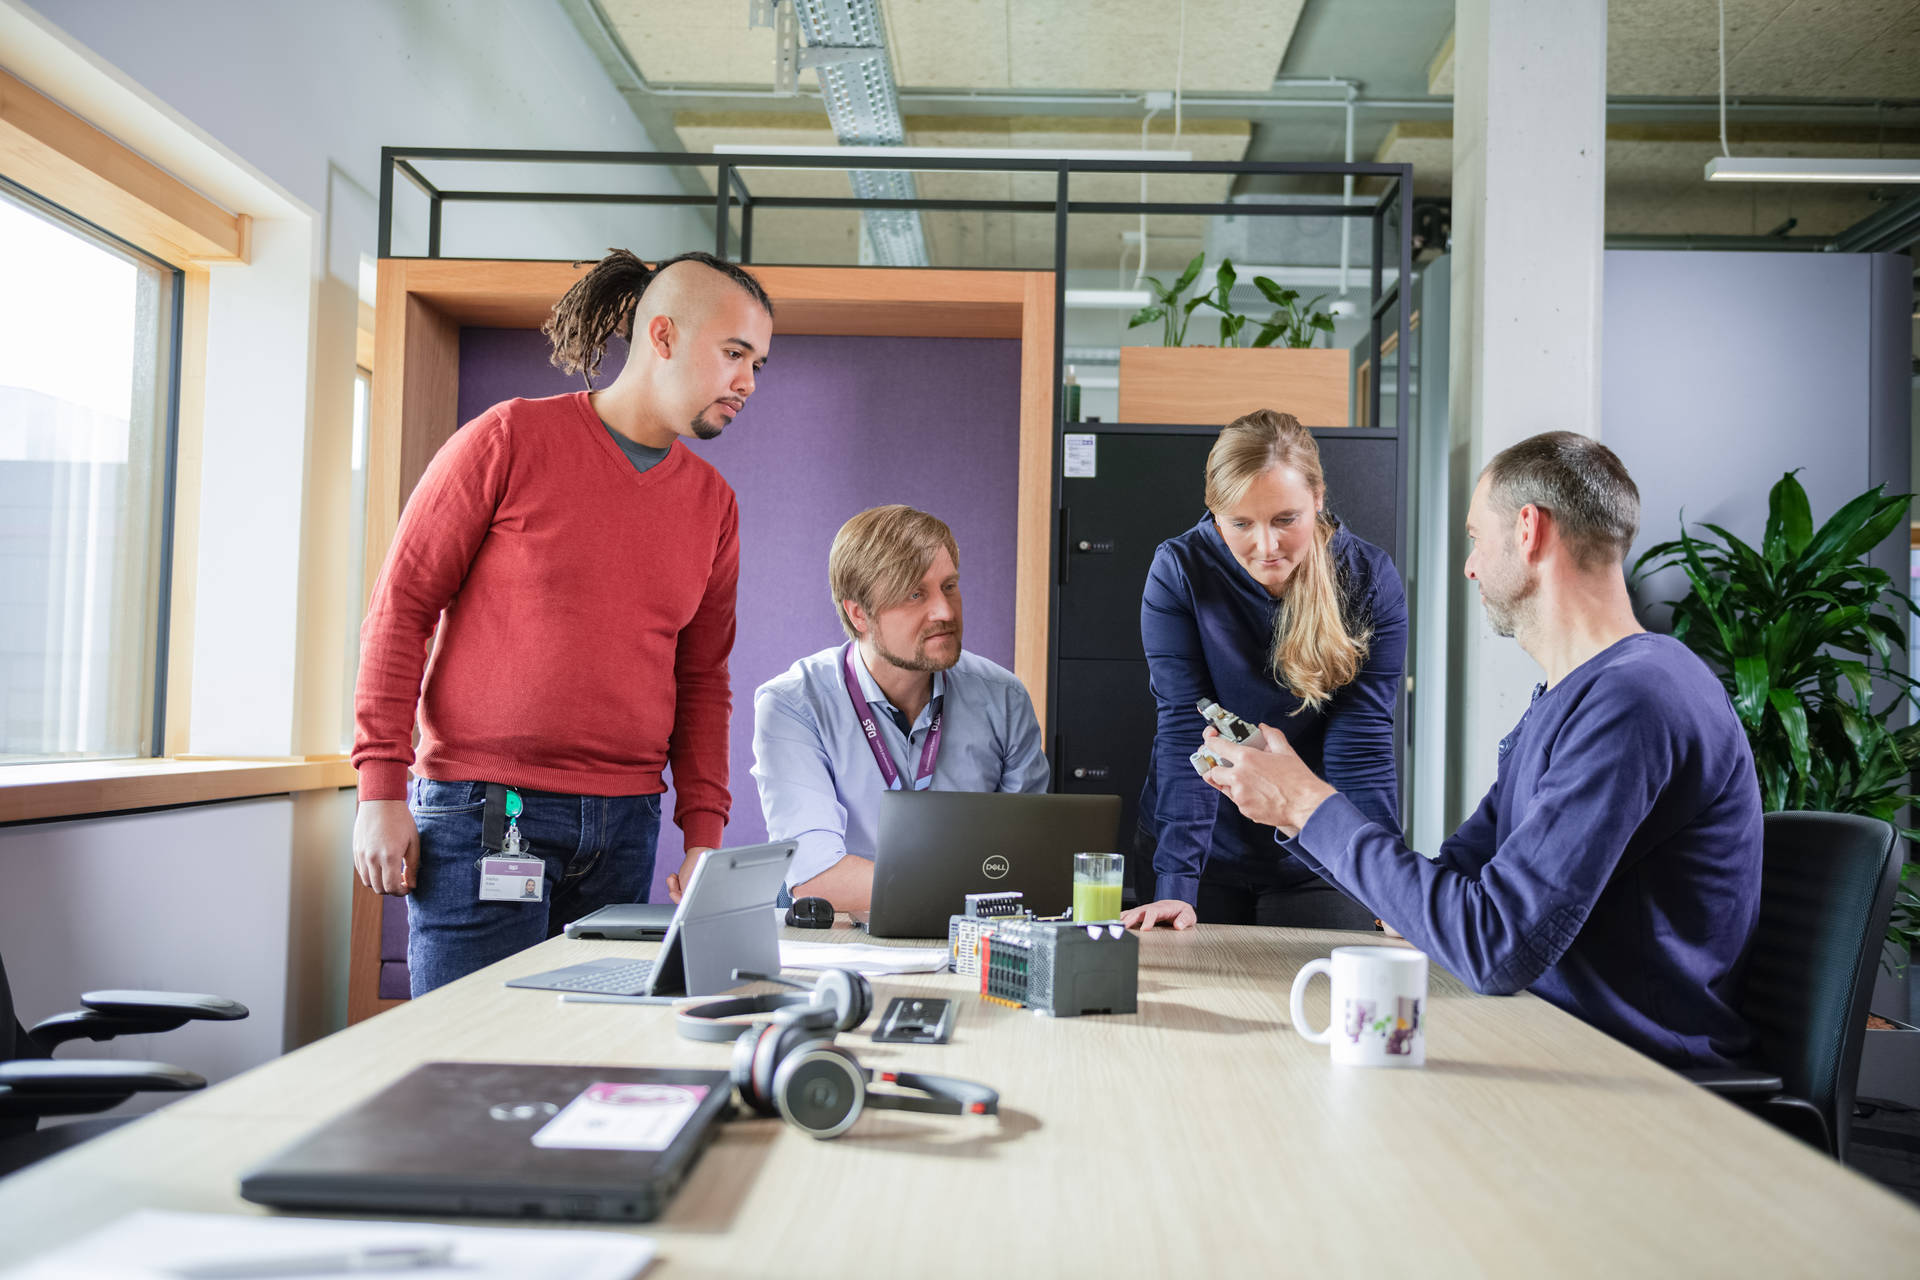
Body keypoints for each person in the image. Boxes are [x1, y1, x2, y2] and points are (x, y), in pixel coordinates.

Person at [1195, 431, 1762, 1069]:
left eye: (1475, 538)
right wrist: (1289, 804)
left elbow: (1495, 947)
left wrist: (1305, 805)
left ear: (1528, 531)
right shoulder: (1575, 698)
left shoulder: (1637, 700)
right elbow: (1449, 893)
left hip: (1633, 1076)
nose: (1469, 566)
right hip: (1549, 1040)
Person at [350, 249, 774, 996]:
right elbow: (401, 609)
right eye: (735, 354)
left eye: (758, 365)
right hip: (485, 811)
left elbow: (703, 677)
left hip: (626, 825)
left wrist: (704, 833)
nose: (748, 382)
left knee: (589, 1047)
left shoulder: (714, 504)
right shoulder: (507, 438)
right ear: (664, 336)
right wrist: (380, 789)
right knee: (472, 1050)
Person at [1122, 410, 1406, 932]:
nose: (1267, 546)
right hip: (1197, 847)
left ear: (1317, 498)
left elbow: (1361, 744)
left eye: (1285, 519)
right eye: (1241, 524)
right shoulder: (1180, 570)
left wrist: (1387, 888)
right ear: (1215, 515)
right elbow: (1186, 728)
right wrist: (1177, 886)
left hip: (1315, 845)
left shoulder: (1368, 579)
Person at [750, 505, 1049, 911]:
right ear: (859, 614)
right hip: (839, 930)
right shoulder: (793, 705)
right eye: (915, 594)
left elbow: (1026, 856)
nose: (945, 611)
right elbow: (817, 878)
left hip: (962, 932)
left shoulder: (1004, 697)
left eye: (949, 586)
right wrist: (973, 891)